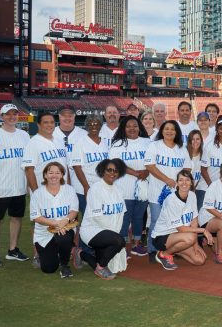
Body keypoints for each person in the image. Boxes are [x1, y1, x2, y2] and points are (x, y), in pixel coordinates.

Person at [0, 104, 32, 267]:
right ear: (2, 116)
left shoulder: (24, 135)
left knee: (16, 218)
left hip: (18, 187)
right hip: (0, 188)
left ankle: (12, 250)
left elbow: (28, 162)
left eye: (14, 114)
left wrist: (28, 185)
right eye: (8, 114)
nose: (12, 116)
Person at [144, 120, 190, 262]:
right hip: (157, 190)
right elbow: (150, 166)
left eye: (173, 129)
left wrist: (180, 182)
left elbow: (187, 168)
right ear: (161, 131)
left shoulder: (181, 149)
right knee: (156, 220)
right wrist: (167, 179)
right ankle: (152, 250)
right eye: (166, 129)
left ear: (177, 132)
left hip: (175, 193)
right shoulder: (154, 146)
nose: (169, 131)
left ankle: (169, 250)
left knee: (174, 222)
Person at [79, 159, 128, 280]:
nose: (112, 173)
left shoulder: (119, 190)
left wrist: (114, 233)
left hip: (108, 232)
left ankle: (80, 254)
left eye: (116, 171)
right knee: (119, 242)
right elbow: (98, 217)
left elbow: (121, 214)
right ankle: (100, 269)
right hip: (91, 230)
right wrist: (114, 235)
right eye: (109, 170)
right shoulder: (95, 189)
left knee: (101, 259)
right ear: (102, 171)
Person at [151, 170, 209, 270]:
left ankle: (177, 249)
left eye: (187, 180)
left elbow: (194, 220)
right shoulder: (171, 200)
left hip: (180, 236)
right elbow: (181, 229)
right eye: (181, 180)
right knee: (190, 238)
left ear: (191, 182)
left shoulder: (192, 195)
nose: (184, 183)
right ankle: (163, 254)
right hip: (162, 236)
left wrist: (195, 245)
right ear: (177, 183)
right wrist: (203, 230)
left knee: (200, 260)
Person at [109, 116, 151, 257]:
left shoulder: (147, 142)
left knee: (139, 216)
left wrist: (147, 171)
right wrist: (133, 172)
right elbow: (115, 163)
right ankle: (121, 247)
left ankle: (137, 244)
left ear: (140, 127)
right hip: (124, 186)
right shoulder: (118, 144)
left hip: (144, 186)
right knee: (125, 217)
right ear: (123, 128)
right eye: (128, 126)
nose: (132, 129)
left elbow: (152, 160)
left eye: (135, 126)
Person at [29, 162, 79, 278]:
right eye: (50, 172)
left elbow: (74, 211)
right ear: (45, 175)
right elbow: (36, 217)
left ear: (62, 175)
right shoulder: (37, 194)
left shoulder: (69, 190)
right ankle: (56, 252)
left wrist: (65, 221)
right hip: (44, 233)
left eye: (57, 173)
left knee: (64, 237)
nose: (54, 176)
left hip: (65, 228)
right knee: (48, 269)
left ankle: (64, 265)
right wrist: (56, 224)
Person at [71, 114, 110, 214]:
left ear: (101, 126)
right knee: (87, 217)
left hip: (101, 187)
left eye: (96, 124)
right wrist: (86, 187)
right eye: (90, 124)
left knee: (100, 216)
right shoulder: (80, 142)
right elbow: (77, 167)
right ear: (86, 126)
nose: (93, 126)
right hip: (85, 186)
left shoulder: (104, 143)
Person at [23, 113, 68, 192]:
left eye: (52, 122)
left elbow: (65, 166)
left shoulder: (59, 141)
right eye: (46, 122)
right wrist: (37, 193)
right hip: (43, 191)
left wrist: (68, 186)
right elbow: (29, 170)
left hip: (63, 190)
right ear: (39, 125)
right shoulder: (33, 143)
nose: (49, 125)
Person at [52, 104, 87, 187]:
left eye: (70, 115)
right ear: (59, 117)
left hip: (80, 181)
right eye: (64, 115)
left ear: (74, 116)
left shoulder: (84, 135)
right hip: (57, 180)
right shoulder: (51, 134)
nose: (67, 118)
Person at [185, 130, 205, 206]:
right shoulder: (184, 153)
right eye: (192, 139)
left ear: (201, 140)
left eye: (197, 139)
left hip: (198, 188)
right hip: (184, 188)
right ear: (189, 141)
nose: (195, 141)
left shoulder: (204, 154)